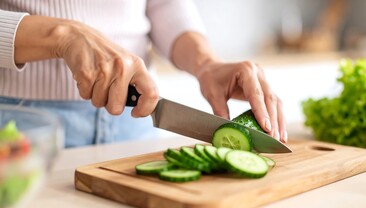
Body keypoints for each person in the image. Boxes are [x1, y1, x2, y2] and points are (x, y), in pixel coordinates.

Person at [0, 0, 287, 148]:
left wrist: (206, 63)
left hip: (135, 118)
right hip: (22, 124)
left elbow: (164, 5)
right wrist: (61, 36)